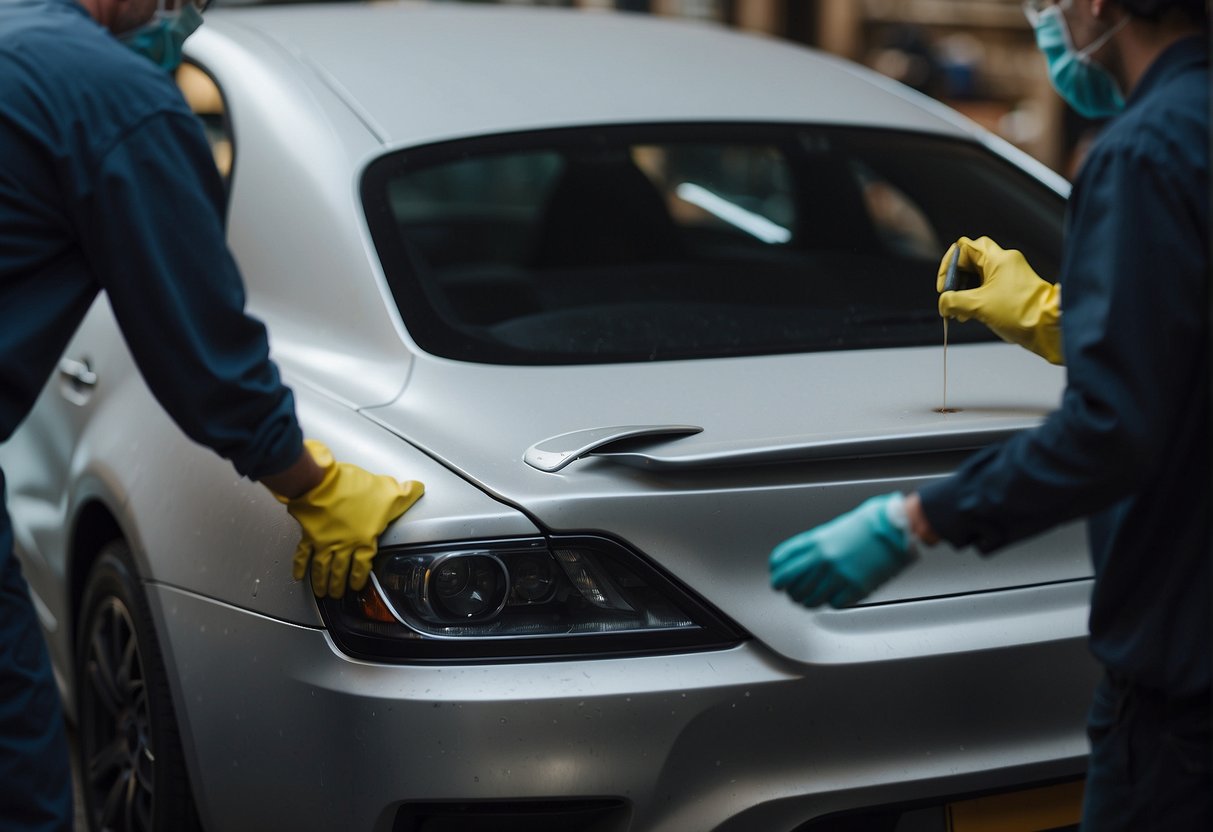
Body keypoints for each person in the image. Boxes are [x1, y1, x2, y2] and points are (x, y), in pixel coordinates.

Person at [769, 0, 1209, 828]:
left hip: (1182, 685)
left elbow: (1114, 429)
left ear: (1092, 5)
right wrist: (1063, 317)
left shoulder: (1142, 151)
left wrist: (913, 520)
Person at [0, 0, 425, 828]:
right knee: (18, 781)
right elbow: (198, 343)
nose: (181, 16)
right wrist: (314, 485)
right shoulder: (117, 97)